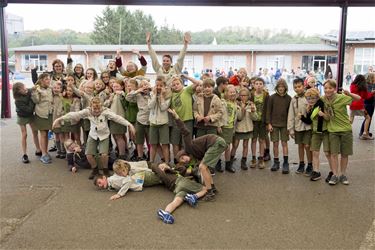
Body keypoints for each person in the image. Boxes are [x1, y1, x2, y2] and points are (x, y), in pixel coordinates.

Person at [52, 97, 136, 179]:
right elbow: (74, 114)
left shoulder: (106, 112)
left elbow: (117, 118)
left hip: (104, 135)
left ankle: (105, 170)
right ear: (91, 107)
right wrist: (59, 119)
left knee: (104, 154)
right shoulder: (87, 111)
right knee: (88, 154)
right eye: (94, 109)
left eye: (98, 109)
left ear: (101, 107)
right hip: (93, 135)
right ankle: (95, 169)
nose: (96, 111)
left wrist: (129, 124)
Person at [168, 108, 225, 200]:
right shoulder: (195, 155)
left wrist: (176, 117)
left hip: (216, 142)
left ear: (184, 153)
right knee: (204, 167)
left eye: (182, 158)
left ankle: (210, 193)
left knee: (202, 167)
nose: (185, 160)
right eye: (183, 161)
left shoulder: (188, 147)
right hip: (218, 144)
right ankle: (212, 188)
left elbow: (185, 132)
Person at [322, 80, 360, 185]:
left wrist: (349, 93)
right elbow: (311, 98)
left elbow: (359, 98)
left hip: (345, 130)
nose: (327, 90)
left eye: (330, 88)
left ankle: (342, 174)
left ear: (334, 89)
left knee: (344, 154)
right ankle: (335, 175)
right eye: (325, 88)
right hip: (332, 130)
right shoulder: (323, 99)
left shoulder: (341, 97)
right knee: (333, 154)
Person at [299, 88, 331, 181]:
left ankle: (333, 171)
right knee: (315, 152)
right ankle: (316, 171)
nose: (311, 100)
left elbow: (329, 118)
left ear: (317, 97)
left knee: (327, 153)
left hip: (325, 131)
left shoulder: (322, 104)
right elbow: (308, 121)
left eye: (313, 98)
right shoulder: (310, 107)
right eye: (309, 98)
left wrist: (323, 115)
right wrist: (301, 117)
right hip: (315, 132)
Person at [94, 160, 161, 200]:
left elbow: (128, 180)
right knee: (161, 176)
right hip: (142, 177)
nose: (100, 186)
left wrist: (119, 194)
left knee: (163, 177)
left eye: (99, 182)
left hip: (143, 178)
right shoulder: (111, 182)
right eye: (98, 185)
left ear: (104, 177)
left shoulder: (112, 180)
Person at [169, 75, 198, 163]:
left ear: (182, 84)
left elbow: (197, 83)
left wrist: (185, 76)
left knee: (185, 143)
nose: (176, 86)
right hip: (176, 122)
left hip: (187, 121)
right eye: (173, 85)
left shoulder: (187, 91)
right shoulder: (171, 95)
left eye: (178, 84)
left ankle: (185, 161)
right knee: (175, 142)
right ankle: (177, 161)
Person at [287, 78, 313, 175]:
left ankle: (310, 164)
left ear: (303, 86)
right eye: (295, 87)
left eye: (299, 86)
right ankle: (301, 164)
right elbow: (291, 114)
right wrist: (291, 129)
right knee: (300, 146)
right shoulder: (294, 99)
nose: (297, 89)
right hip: (298, 127)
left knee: (307, 145)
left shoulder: (309, 96)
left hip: (308, 126)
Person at [266, 78, 292, 174]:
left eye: (283, 87)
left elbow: (291, 113)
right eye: (279, 87)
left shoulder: (289, 98)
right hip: (274, 124)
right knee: (275, 143)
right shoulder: (272, 98)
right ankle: (276, 162)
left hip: (285, 125)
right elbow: (268, 111)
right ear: (277, 87)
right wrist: (268, 123)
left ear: (285, 87)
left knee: (284, 143)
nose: (281, 88)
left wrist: (290, 126)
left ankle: (286, 163)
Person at [13, 82, 42, 163]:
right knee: (24, 134)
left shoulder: (27, 91)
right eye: (23, 88)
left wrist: (35, 87)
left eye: (25, 86)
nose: (25, 88)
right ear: (18, 91)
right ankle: (24, 154)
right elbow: (29, 109)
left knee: (35, 132)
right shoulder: (17, 101)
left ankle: (38, 149)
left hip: (30, 116)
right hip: (22, 116)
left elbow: (32, 88)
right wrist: (32, 99)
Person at [230, 88, 258, 170]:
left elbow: (255, 118)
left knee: (245, 145)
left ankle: (243, 161)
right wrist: (242, 109)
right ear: (239, 96)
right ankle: (230, 161)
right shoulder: (236, 104)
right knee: (235, 145)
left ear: (248, 96)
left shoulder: (251, 104)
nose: (243, 97)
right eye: (241, 95)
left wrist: (253, 111)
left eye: (245, 95)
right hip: (239, 128)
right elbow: (239, 118)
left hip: (248, 128)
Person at [126, 79, 152, 161]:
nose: (144, 87)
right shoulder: (137, 95)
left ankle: (150, 156)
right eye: (142, 85)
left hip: (151, 120)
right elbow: (128, 97)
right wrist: (137, 90)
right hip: (140, 120)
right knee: (139, 140)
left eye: (146, 85)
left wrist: (150, 89)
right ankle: (140, 156)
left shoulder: (152, 94)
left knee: (150, 140)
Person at [31, 73, 54, 164]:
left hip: (49, 114)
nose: (49, 81)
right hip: (41, 114)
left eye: (49, 79)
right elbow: (36, 100)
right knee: (43, 134)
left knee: (47, 133)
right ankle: (43, 154)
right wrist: (34, 92)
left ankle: (45, 151)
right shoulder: (37, 89)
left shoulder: (50, 88)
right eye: (46, 79)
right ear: (41, 80)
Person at [104, 78, 128, 159]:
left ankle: (122, 155)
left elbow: (124, 99)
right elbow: (105, 105)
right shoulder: (112, 95)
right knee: (115, 136)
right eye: (114, 87)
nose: (115, 88)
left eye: (117, 86)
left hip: (119, 118)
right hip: (112, 119)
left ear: (122, 87)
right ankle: (121, 151)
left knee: (119, 137)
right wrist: (109, 99)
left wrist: (120, 93)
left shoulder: (121, 94)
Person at [148, 76, 171, 163]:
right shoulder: (151, 94)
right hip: (153, 123)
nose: (158, 87)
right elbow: (150, 106)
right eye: (157, 85)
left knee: (165, 144)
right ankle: (151, 162)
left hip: (163, 123)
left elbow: (163, 107)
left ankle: (167, 163)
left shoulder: (168, 95)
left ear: (164, 86)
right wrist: (154, 95)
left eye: (161, 85)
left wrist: (161, 96)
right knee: (153, 144)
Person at [219, 85, 239, 173]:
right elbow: (219, 114)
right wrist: (219, 125)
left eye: (234, 92)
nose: (233, 93)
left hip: (231, 128)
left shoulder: (235, 103)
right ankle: (218, 163)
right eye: (231, 92)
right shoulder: (222, 102)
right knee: (221, 146)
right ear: (226, 93)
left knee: (227, 146)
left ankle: (228, 164)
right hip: (223, 127)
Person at [250, 78, 269, 169]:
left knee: (262, 140)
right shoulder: (251, 94)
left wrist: (268, 122)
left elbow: (268, 109)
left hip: (262, 121)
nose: (258, 85)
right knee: (253, 140)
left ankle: (261, 157)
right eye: (256, 83)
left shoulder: (266, 95)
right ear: (253, 85)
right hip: (253, 121)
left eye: (260, 83)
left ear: (263, 85)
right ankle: (253, 157)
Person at [349, 74, 375, 140]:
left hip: (352, 105)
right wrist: (372, 93)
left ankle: (345, 132)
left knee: (351, 120)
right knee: (368, 118)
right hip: (360, 106)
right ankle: (365, 133)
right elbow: (366, 96)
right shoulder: (363, 87)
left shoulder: (352, 85)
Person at [360, 73, 375, 137]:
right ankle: (363, 132)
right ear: (372, 77)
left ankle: (366, 131)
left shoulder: (372, 85)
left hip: (371, 103)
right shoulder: (368, 85)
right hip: (368, 103)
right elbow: (368, 95)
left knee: (369, 118)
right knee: (368, 118)